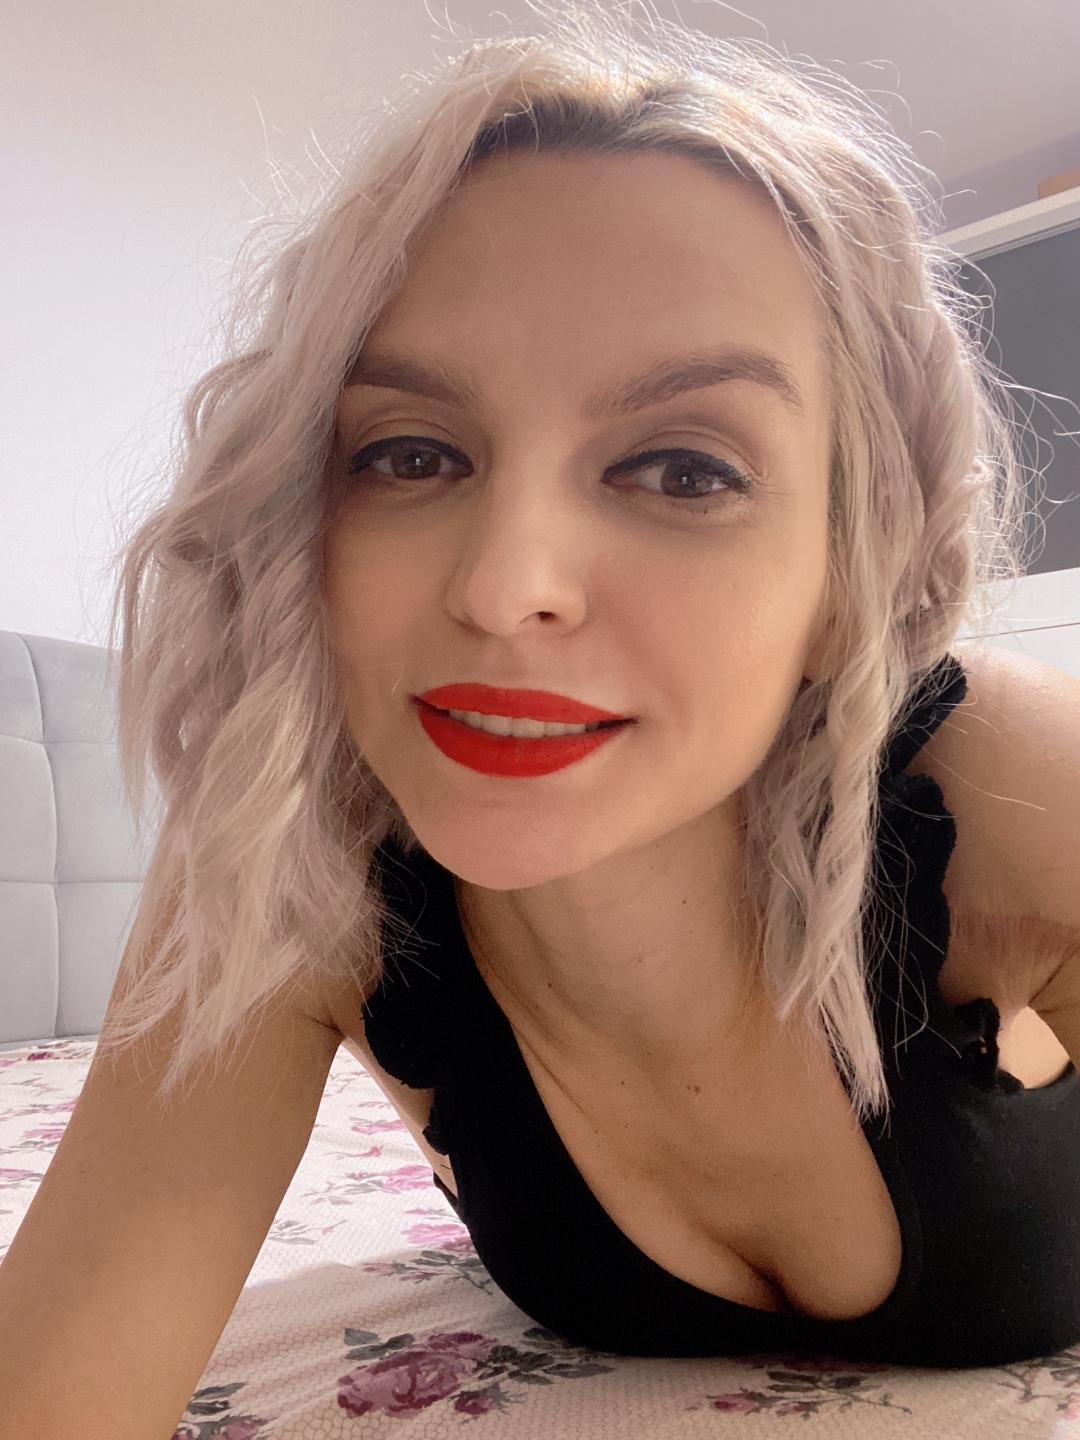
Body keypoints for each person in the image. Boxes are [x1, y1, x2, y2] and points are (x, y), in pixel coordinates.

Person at [4, 2, 1079, 1432]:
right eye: (410, 453)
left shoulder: (1014, 788)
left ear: (846, 579)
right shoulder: (290, 866)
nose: (506, 588)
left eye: (685, 470)